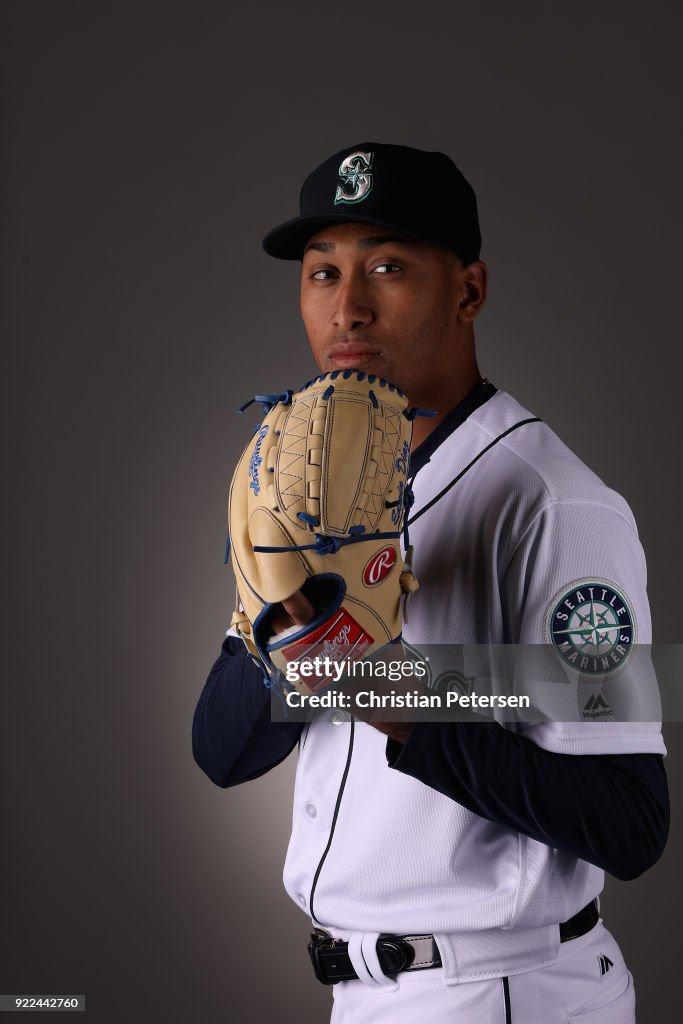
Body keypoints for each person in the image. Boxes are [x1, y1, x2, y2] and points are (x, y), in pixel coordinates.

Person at [193, 142, 669, 1023]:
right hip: (365, 996)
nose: (349, 307)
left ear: (468, 291)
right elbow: (223, 755)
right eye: (321, 272)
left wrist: (376, 680)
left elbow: (628, 822)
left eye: (387, 267)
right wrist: (278, 635)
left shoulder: (558, 507)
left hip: (505, 989)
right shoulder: (308, 486)